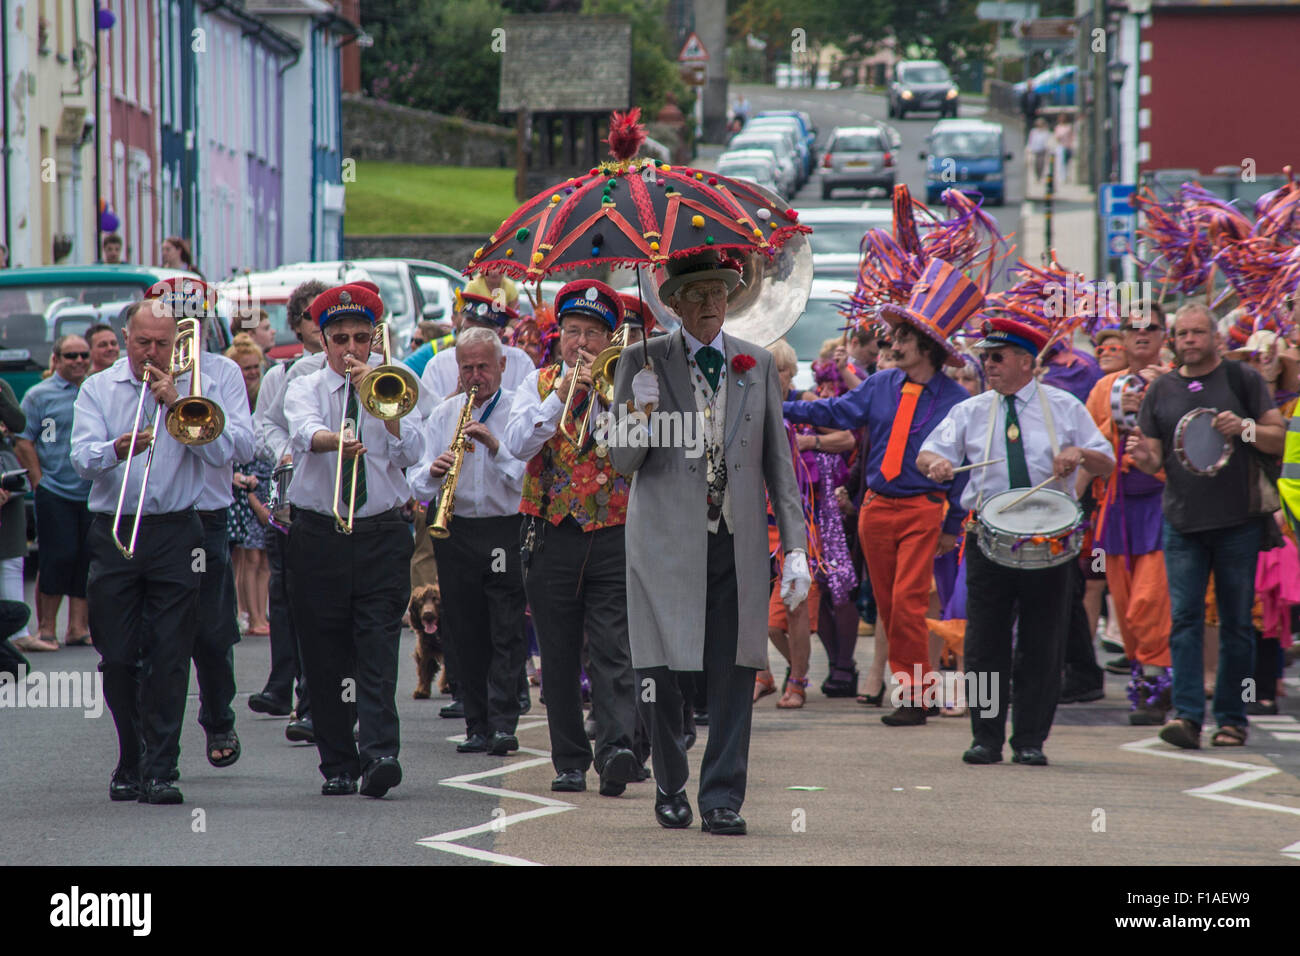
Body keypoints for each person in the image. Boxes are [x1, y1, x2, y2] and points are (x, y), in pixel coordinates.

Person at [610, 252, 810, 834]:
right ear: (670, 303)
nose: (707, 305)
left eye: (717, 293)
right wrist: (641, 411)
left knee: (735, 669)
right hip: (664, 545)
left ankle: (722, 797)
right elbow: (623, 461)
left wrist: (794, 545)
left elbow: (780, 464)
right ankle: (671, 782)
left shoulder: (757, 364)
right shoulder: (638, 360)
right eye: (694, 295)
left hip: (736, 542)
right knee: (665, 672)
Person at [786, 260, 977, 724]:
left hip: (923, 509)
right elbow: (837, 412)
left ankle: (914, 695)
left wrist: (953, 525)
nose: (892, 343)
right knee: (890, 606)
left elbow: (965, 471)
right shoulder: (883, 383)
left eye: (903, 338)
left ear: (927, 347)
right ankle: (915, 688)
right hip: (875, 509)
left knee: (911, 600)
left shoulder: (957, 402)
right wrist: (779, 405)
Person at [918, 315, 1114, 766]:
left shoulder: (1064, 406)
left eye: (997, 356)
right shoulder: (971, 410)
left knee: (1043, 642)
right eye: (985, 356)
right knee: (985, 643)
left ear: (1026, 362)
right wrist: (935, 466)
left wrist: (1079, 454)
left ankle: (1029, 739)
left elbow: (1105, 461)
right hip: (989, 540)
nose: (987, 363)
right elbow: (930, 451)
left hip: (1050, 542)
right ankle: (986, 737)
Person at [71, 298, 242, 804]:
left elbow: (223, 454)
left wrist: (175, 403)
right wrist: (117, 448)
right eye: (142, 343)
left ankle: (162, 768)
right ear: (126, 339)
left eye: (162, 345)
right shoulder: (98, 389)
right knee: (119, 657)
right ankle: (132, 754)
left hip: (176, 531)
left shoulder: (195, 390)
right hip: (116, 527)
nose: (151, 353)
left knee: (170, 654)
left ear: (177, 344)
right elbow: (81, 459)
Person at [283, 282, 424, 797]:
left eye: (360, 338)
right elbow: (302, 431)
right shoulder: (306, 384)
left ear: (374, 339)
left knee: (378, 647)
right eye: (340, 338)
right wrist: (335, 439)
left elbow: (414, 452)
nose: (350, 349)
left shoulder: (397, 382)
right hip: (319, 532)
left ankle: (381, 753)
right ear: (323, 341)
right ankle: (339, 762)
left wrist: (382, 404)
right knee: (323, 654)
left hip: (381, 532)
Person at [503, 279, 641, 798]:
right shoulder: (535, 384)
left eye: (592, 333)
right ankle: (569, 760)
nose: (580, 343)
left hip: (613, 531)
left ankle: (615, 750)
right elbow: (517, 445)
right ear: (558, 335)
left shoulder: (628, 383)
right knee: (558, 653)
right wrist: (560, 395)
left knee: (613, 648)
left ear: (611, 340)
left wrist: (607, 399)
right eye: (572, 331)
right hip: (550, 532)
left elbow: (638, 450)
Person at [1125, 303, 1285, 749]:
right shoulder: (1161, 390)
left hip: (1238, 521)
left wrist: (1245, 428)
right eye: (1182, 333)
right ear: (1173, 340)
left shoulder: (1243, 380)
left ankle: (1232, 719)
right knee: (1185, 620)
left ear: (1216, 338)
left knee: (1235, 623)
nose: (1190, 340)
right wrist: (1143, 458)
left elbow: (1278, 437)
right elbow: (1155, 455)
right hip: (1181, 520)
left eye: (1198, 332)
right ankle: (1189, 717)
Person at [143, 279, 256, 771]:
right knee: (157, 638)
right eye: (177, 317)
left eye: (195, 318)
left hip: (207, 518)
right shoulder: (135, 375)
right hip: (155, 519)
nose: (189, 327)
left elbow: (245, 449)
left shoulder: (224, 372)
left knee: (212, 632)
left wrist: (184, 407)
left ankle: (218, 717)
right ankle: (152, 741)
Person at [412, 327, 528, 755]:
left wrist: (494, 446)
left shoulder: (517, 410)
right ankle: (476, 723)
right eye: (467, 368)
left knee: (505, 627)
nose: (476, 376)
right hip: (455, 530)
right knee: (464, 629)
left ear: (501, 365)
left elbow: (526, 477)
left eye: (483, 366)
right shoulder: (445, 415)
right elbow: (417, 481)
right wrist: (433, 472)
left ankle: (502, 723)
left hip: (503, 529)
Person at [1084, 305, 1173, 723]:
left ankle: (1160, 680)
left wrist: (1155, 401)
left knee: (1150, 601)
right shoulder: (1104, 387)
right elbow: (1089, 448)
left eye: (1150, 328)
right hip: (1116, 505)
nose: (1141, 335)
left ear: (1163, 336)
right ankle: (1147, 680)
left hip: (1162, 504)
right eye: (1132, 328)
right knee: (1122, 603)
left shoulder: (1178, 382)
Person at [247, 279, 327, 733]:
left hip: (333, 502)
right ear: (298, 325)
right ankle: (290, 687)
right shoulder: (283, 374)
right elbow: (265, 428)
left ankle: (311, 699)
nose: (324, 325)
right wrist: (286, 452)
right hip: (292, 500)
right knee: (287, 595)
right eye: (314, 316)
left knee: (316, 601)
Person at [12, 335, 94, 652]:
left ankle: (77, 627)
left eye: (83, 355)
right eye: (70, 355)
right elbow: (23, 439)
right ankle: (47, 628)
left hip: (90, 489)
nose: (78, 361)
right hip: (55, 489)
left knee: (86, 558)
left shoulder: (95, 390)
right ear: (56, 360)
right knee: (56, 557)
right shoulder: (38, 395)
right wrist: (39, 480)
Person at [227, 335, 273, 638]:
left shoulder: (263, 395)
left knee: (262, 554)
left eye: (256, 367)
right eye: (246, 368)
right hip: (240, 479)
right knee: (245, 555)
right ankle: (246, 613)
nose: (253, 373)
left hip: (263, 476)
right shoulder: (232, 397)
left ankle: (257, 612)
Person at [421, 292, 534, 403]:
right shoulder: (438, 363)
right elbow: (424, 416)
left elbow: (531, 412)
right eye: (468, 331)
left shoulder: (521, 361)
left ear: (500, 334)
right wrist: (456, 398)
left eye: (483, 335)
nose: (473, 340)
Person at [0, 380, 27, 652]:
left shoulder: (2, 386)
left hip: (3, 470)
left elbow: (18, 423)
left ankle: (19, 633)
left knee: (11, 557)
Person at [1026, 117, 1052, 183]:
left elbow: (1048, 141)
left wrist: (1048, 149)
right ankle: (1037, 176)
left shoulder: (1046, 132)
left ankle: (1039, 176)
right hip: (1035, 150)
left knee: (1041, 164)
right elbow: (1030, 140)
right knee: (1035, 164)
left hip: (1042, 150)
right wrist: (1029, 148)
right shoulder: (1033, 131)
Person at [1053, 114, 1075, 183]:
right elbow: (1056, 137)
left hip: (1068, 146)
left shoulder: (1069, 127)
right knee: (1061, 163)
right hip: (1061, 147)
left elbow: (1072, 137)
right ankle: (1062, 177)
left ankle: (1067, 176)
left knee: (1067, 163)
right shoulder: (1058, 127)